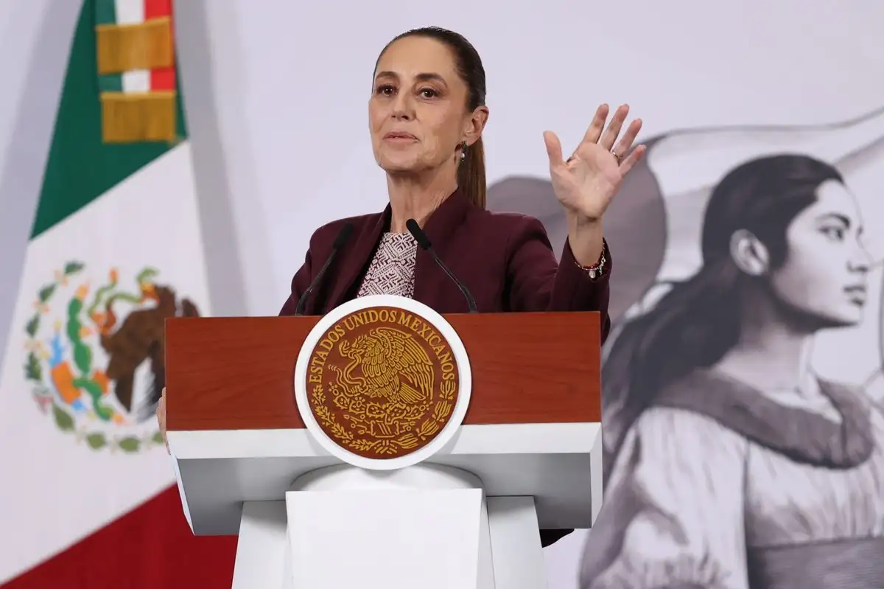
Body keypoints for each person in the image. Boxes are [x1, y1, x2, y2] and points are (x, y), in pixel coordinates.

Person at [157, 25, 645, 546]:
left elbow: (565, 349)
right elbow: (277, 379)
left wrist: (585, 228)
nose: (400, 107)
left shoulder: (506, 239)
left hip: (461, 536)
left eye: (428, 92)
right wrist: (198, 404)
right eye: (386, 89)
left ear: (472, 125)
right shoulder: (333, 247)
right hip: (328, 535)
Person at [580, 154, 882, 588]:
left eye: (859, 237)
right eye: (834, 233)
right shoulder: (686, 430)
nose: (861, 260)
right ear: (752, 252)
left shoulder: (867, 418)